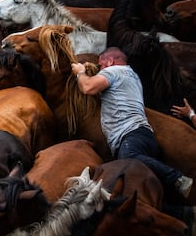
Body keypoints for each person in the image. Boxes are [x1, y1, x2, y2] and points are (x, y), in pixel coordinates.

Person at [71, 46, 193, 198]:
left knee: (128, 158)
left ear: (110, 61)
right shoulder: (132, 76)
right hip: (143, 136)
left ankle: (178, 179)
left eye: (101, 65)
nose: (100, 69)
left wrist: (80, 72)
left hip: (131, 135)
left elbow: (88, 87)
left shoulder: (114, 71)